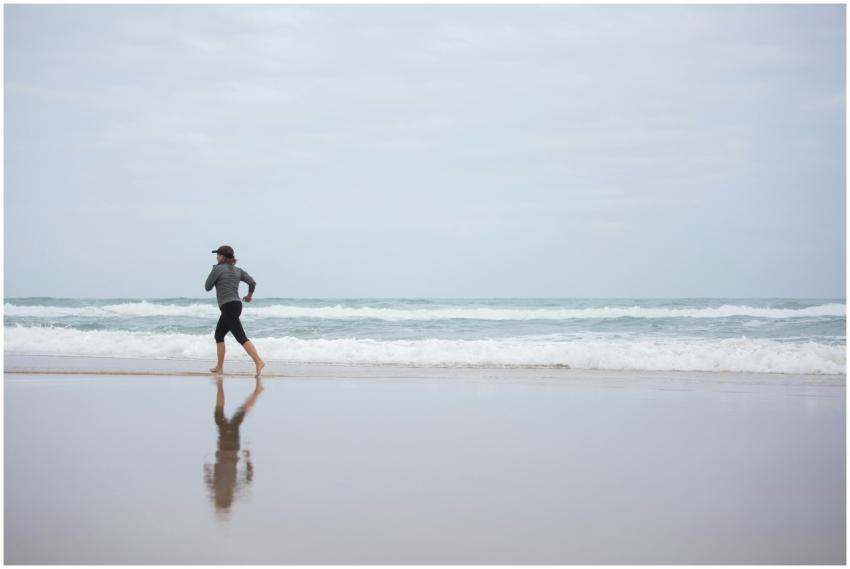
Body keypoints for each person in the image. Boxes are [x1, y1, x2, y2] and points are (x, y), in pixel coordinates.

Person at [205, 245, 265, 378]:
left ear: (222, 257)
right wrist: (249, 296)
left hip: (228, 306)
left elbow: (207, 286)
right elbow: (252, 282)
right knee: (219, 335)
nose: (216, 257)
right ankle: (219, 367)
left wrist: (213, 271)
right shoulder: (238, 270)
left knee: (240, 336)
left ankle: (259, 361)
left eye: (218, 255)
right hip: (236, 305)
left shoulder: (218, 269)